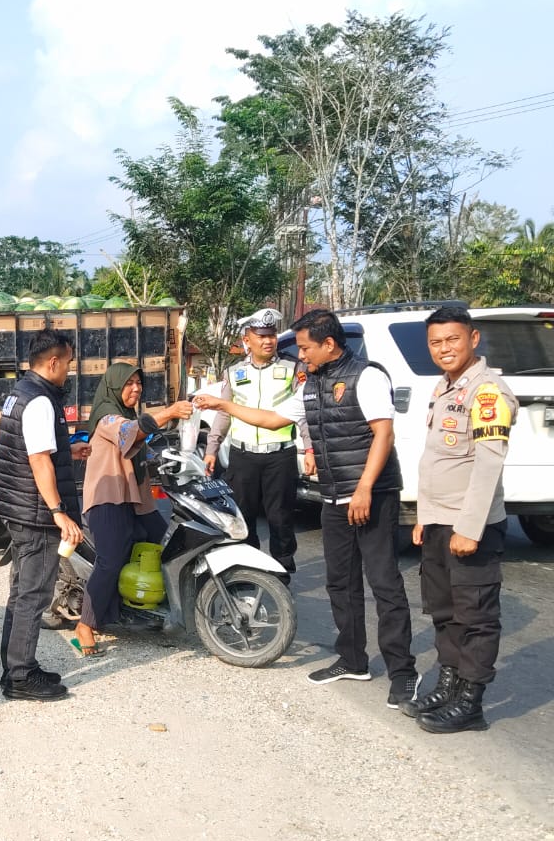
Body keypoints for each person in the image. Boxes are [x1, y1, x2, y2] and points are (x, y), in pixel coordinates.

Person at [195, 308, 419, 708]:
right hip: (333, 496)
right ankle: (352, 658)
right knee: (340, 582)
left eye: (305, 348)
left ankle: (403, 673)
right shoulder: (312, 383)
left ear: (329, 344)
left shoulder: (366, 376)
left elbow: (383, 434)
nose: (300, 355)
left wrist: (365, 487)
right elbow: (272, 418)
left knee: (384, 583)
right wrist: (223, 407)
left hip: (371, 495)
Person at [402, 306, 515, 733]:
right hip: (439, 523)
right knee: (445, 613)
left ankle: (471, 701)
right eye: (436, 342)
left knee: (476, 617)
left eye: (452, 339)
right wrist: (425, 518)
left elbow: (488, 464)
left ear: (473, 338)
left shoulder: (486, 393)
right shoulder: (445, 387)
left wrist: (470, 527)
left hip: (471, 527)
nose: (444, 349)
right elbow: (439, 461)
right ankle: (448, 685)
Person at [0, 329, 92, 701]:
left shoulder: (21, 393)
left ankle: (15, 668)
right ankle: (20, 677)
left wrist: (71, 451)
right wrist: (58, 512)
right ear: (52, 362)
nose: (69, 370)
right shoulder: (39, 402)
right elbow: (37, 460)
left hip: (19, 509)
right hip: (35, 515)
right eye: (67, 362)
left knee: (22, 593)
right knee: (34, 595)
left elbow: (39, 451)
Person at [73, 364, 192, 655]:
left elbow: (141, 447)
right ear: (114, 386)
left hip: (135, 499)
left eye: (139, 383)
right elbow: (129, 433)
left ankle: (149, 604)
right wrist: (170, 412)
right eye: (129, 384)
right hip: (108, 499)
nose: (136, 389)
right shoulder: (107, 417)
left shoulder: (128, 414)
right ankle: (85, 624)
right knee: (110, 560)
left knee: (168, 544)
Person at [204, 307, 311, 579]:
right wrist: (212, 449)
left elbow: (304, 413)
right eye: (261, 335)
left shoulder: (293, 368)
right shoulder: (234, 372)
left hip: (280, 457)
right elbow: (224, 412)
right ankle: (250, 571)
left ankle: (283, 570)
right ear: (247, 339)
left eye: (272, 334)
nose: (268, 340)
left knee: (281, 518)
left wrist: (310, 448)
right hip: (243, 457)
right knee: (243, 517)